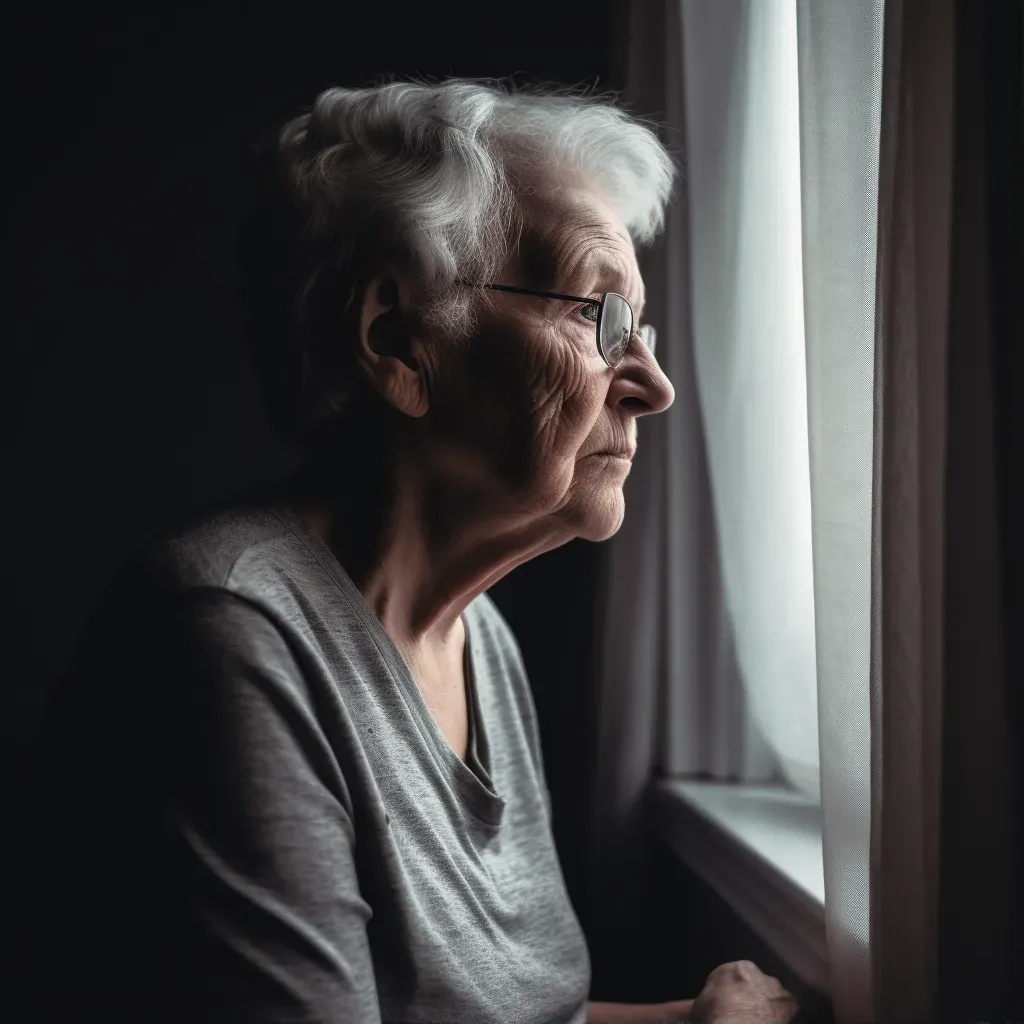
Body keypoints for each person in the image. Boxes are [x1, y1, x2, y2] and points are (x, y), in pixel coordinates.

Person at [14, 78, 799, 1024]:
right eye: (601, 317)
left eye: (642, 328)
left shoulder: (478, 638)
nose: (654, 385)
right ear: (397, 339)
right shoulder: (231, 635)